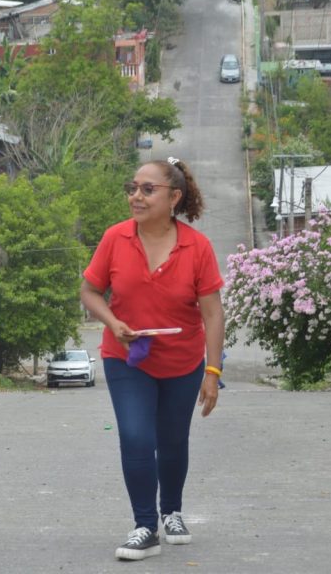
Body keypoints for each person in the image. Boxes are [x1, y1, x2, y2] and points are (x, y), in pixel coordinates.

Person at [80, 157, 225, 562]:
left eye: (147, 189)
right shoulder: (114, 238)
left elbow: (213, 313)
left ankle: (172, 511)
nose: (136, 196)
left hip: (183, 363)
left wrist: (212, 372)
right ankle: (145, 525)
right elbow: (90, 291)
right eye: (133, 188)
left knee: (173, 441)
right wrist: (113, 321)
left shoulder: (197, 247)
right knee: (136, 437)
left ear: (174, 197)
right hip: (126, 359)